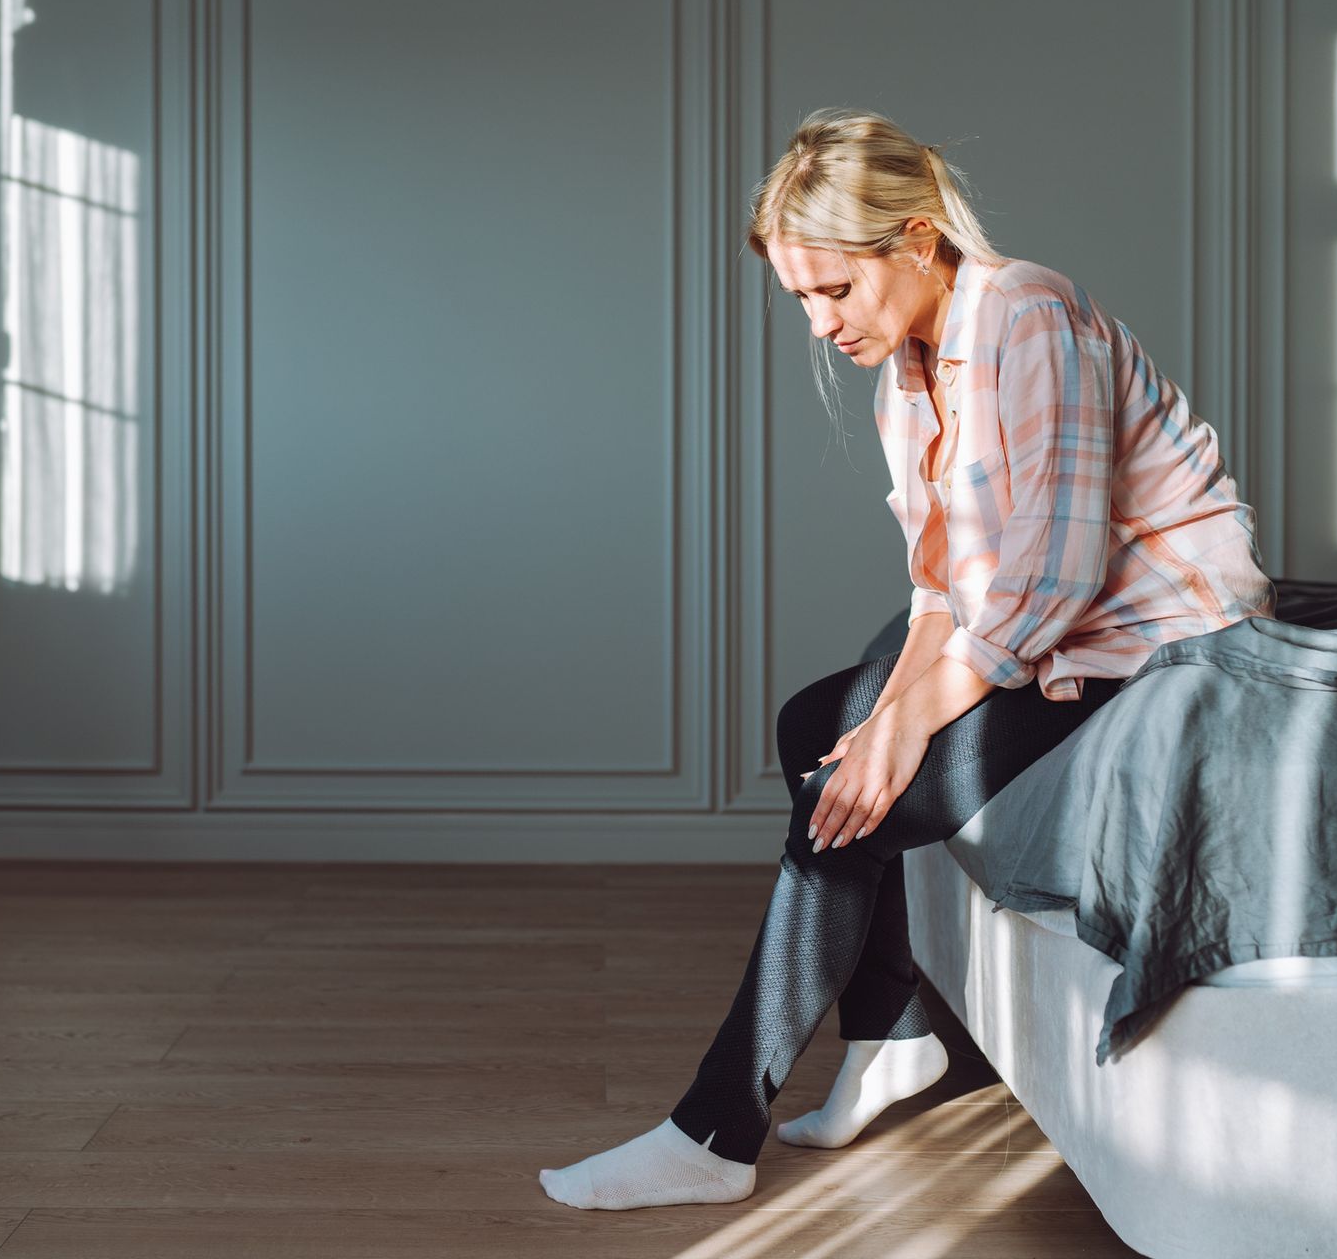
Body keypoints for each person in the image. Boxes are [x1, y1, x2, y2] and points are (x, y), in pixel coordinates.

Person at [539, 107, 1276, 1210]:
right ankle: (891, 1033)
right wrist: (887, 715)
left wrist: (900, 730)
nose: (820, 321)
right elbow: (946, 585)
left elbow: (1054, 579)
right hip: (1055, 625)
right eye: (800, 299)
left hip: (1159, 638)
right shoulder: (909, 375)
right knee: (819, 730)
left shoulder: (1030, 311)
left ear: (919, 238)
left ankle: (714, 1127)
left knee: (861, 784)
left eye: (834, 289)